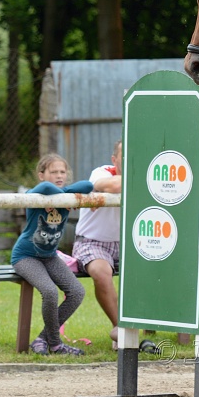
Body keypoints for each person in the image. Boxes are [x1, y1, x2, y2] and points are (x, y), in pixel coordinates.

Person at [11, 154, 93, 356]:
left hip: (49, 256)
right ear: (41, 175)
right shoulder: (35, 195)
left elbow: (88, 185)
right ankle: (56, 345)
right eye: (53, 172)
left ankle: (42, 339)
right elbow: (46, 188)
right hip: (26, 256)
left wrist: (64, 197)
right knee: (49, 292)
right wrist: (62, 198)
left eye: (62, 172)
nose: (59, 175)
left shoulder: (67, 196)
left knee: (77, 292)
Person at [72, 140, 122, 346]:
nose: (131, 159)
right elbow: (114, 185)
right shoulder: (102, 172)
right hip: (92, 242)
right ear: (114, 160)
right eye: (125, 156)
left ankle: (152, 324)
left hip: (127, 243)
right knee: (101, 272)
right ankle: (121, 330)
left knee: (158, 268)